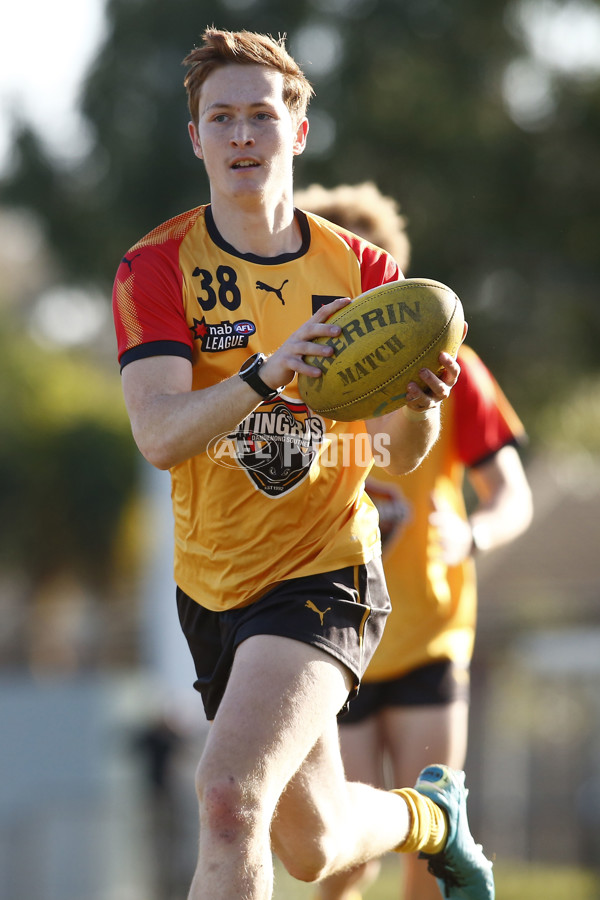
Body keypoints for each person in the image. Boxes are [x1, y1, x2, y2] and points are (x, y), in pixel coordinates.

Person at [112, 28, 494, 900]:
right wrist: (266, 370)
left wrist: (421, 402)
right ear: (196, 138)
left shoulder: (363, 271)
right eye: (222, 118)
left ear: (298, 132)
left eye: (261, 115)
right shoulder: (157, 266)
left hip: (326, 569)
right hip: (213, 583)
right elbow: (162, 434)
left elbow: (395, 452)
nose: (243, 135)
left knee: (226, 802)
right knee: (317, 844)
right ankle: (432, 818)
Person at [296, 182, 533, 900]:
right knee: (341, 856)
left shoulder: (450, 370)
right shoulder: (294, 373)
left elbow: (510, 495)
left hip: (427, 636)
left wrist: (473, 533)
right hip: (331, 635)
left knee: (428, 851)